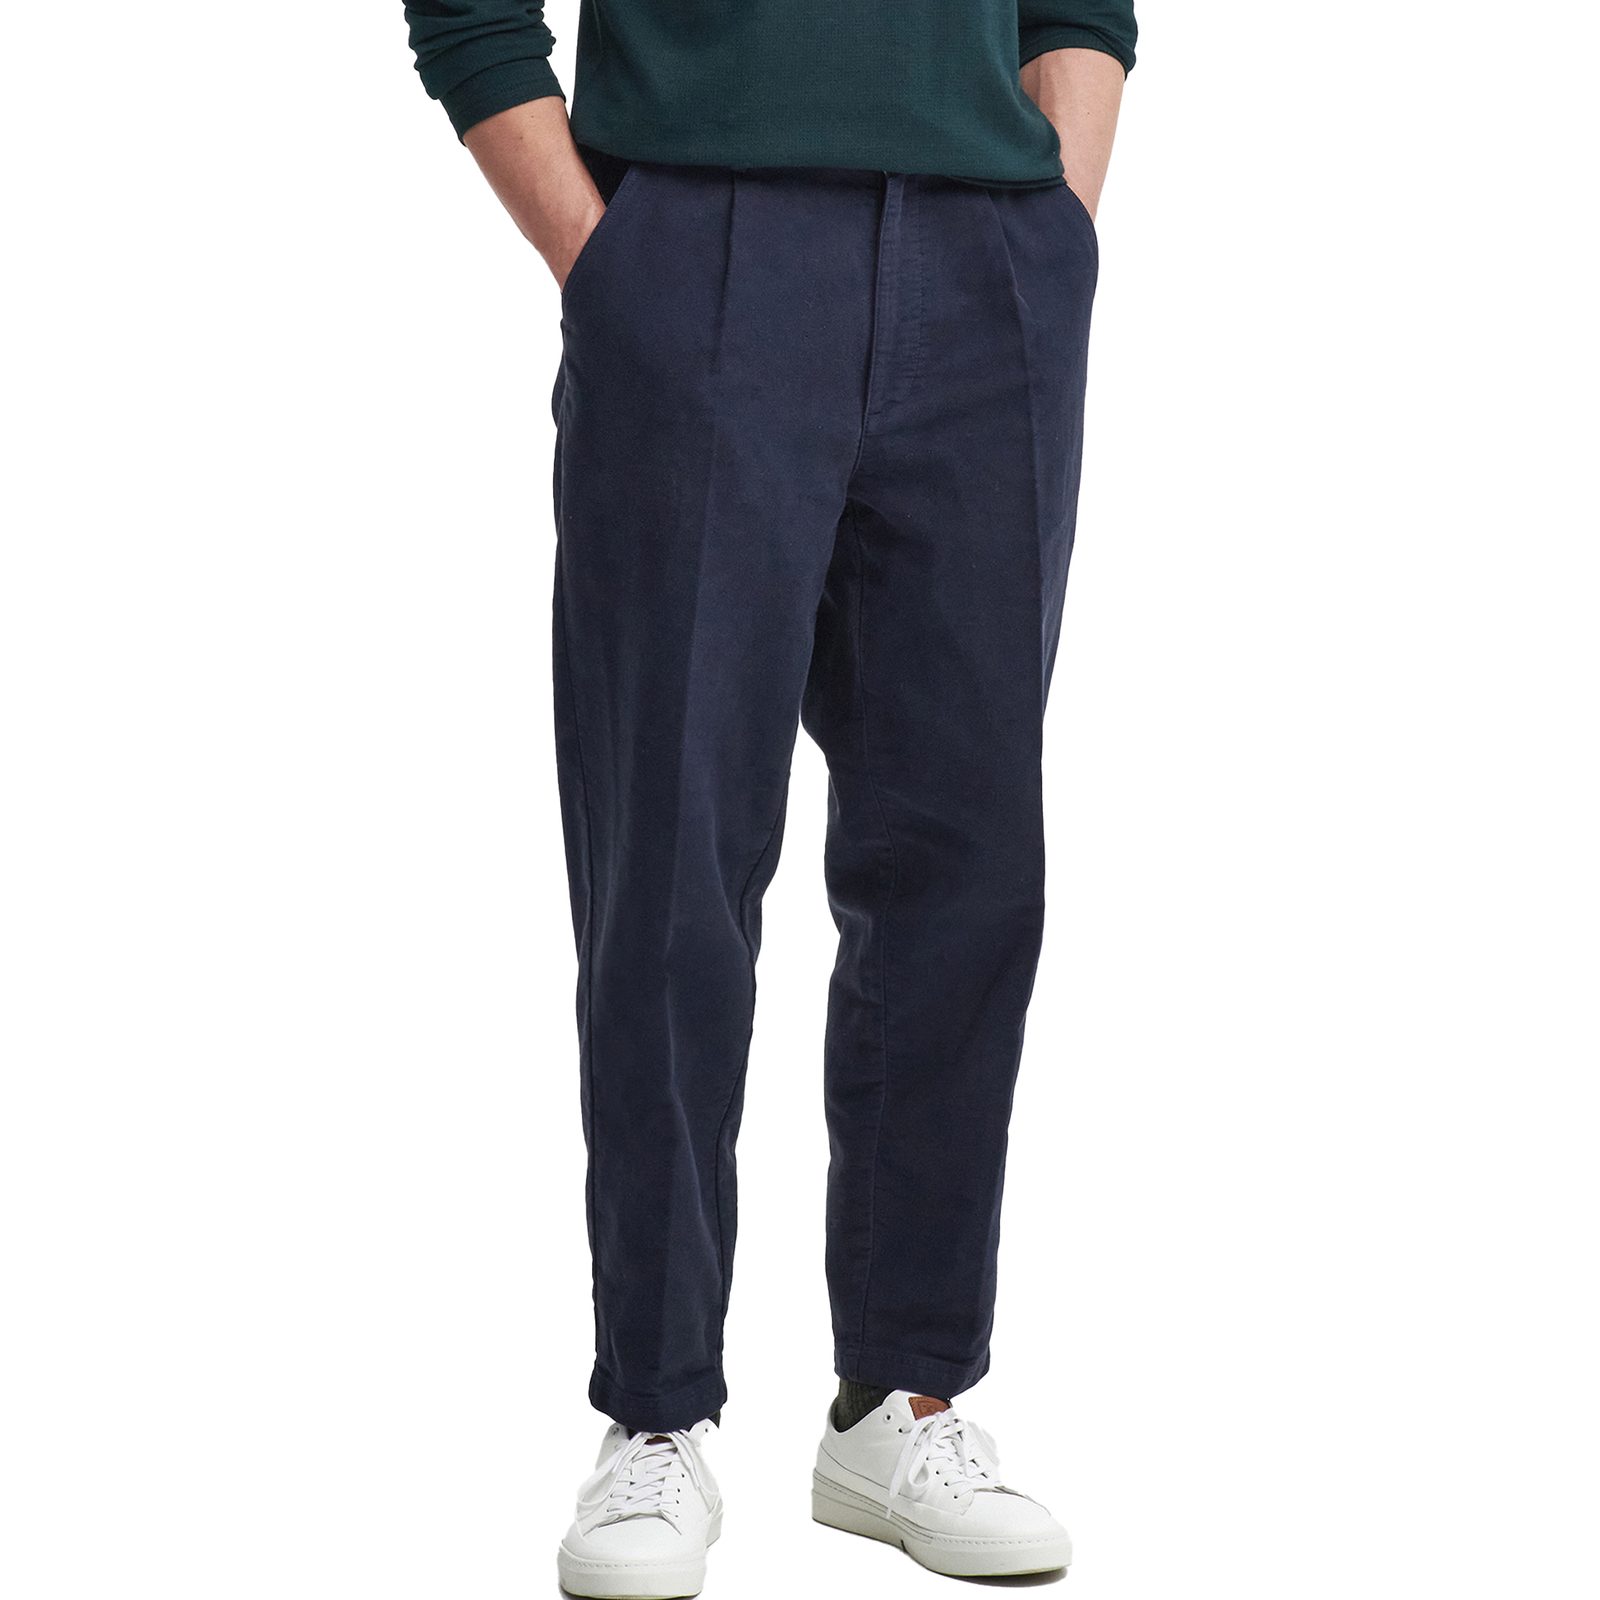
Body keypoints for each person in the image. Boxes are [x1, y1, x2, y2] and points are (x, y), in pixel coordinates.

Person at [402, 2, 1135, 1592]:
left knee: (967, 868)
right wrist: (608, 259)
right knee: (669, 861)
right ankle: (655, 1414)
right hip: (699, 243)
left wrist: (1058, 223)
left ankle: (902, 1397)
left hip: (991, 257)